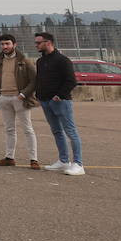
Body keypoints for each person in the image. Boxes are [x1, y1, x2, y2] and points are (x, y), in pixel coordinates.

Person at [34, 32, 83, 175]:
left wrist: (60, 95)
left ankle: (78, 163)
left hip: (61, 102)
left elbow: (71, 81)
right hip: (45, 101)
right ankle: (63, 161)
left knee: (70, 131)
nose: (36, 45)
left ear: (48, 42)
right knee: (56, 131)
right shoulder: (40, 61)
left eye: (39, 42)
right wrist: (39, 95)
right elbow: (40, 79)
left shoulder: (62, 60)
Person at [0, 34, 39, 169]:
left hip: (20, 99)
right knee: (9, 129)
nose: (4, 46)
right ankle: (9, 157)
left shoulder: (25, 61)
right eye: (2, 44)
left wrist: (23, 94)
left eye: (7, 44)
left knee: (27, 129)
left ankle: (34, 159)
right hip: (3, 99)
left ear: (14, 45)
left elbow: (34, 80)